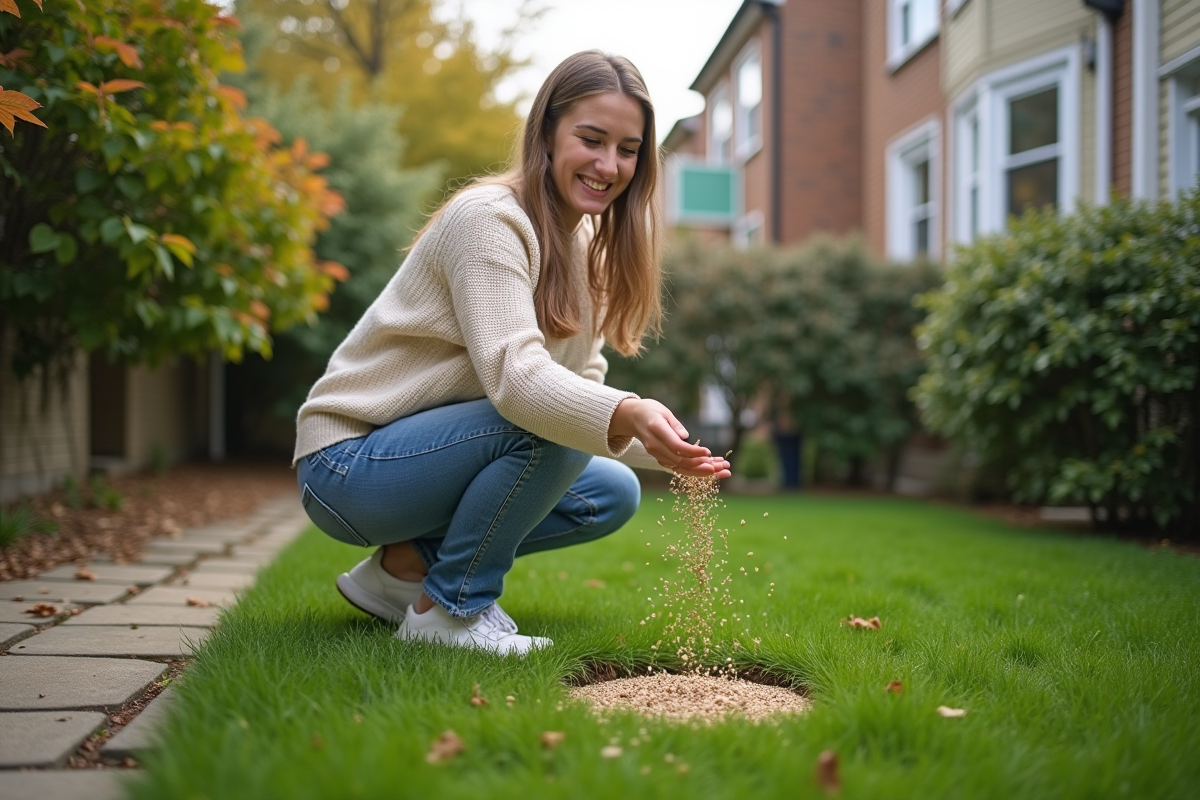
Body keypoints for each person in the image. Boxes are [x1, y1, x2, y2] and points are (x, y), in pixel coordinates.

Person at [293, 50, 731, 656]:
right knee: (551, 423)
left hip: (425, 460)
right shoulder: (489, 220)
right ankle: (451, 611)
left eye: (628, 149)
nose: (609, 164)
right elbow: (521, 385)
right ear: (547, 132)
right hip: (348, 466)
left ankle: (401, 574)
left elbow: (583, 384)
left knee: (613, 491)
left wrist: (670, 455)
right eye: (591, 138)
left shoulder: (586, 250)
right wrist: (627, 409)